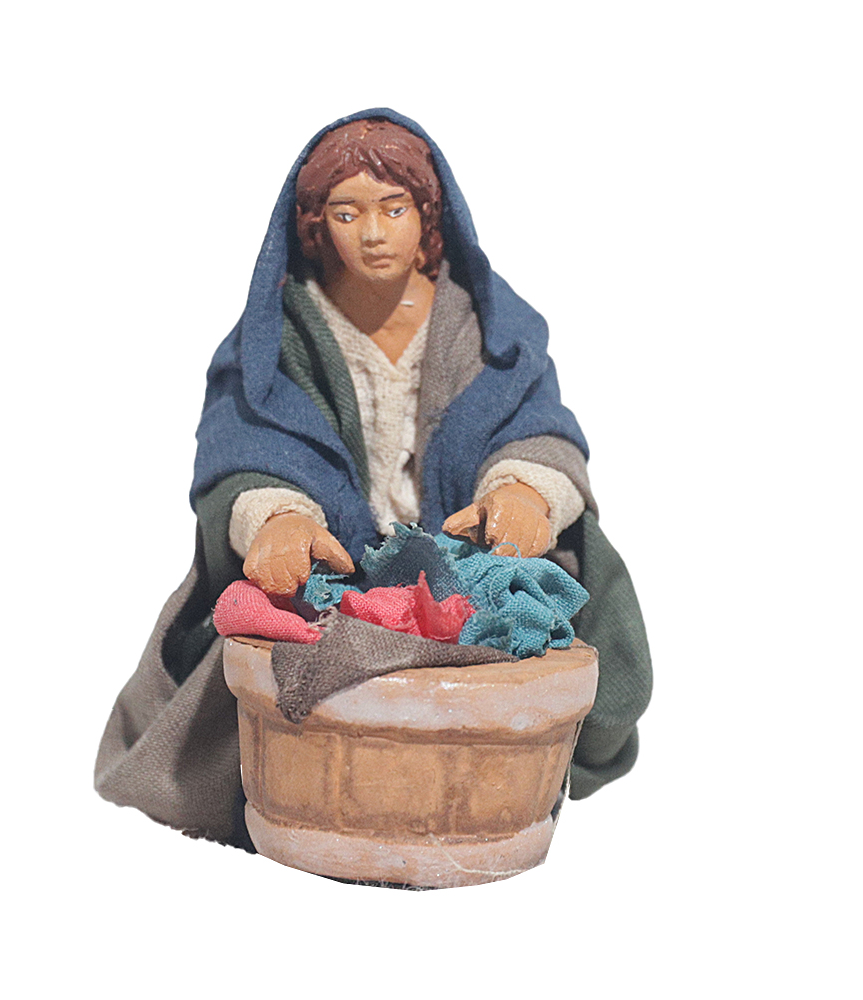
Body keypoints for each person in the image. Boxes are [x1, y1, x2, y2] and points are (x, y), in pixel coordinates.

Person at [95, 110, 651, 850]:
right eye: (346, 213)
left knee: (557, 589)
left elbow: (531, 417)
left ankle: (508, 779)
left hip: (466, 563)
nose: (373, 234)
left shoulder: (482, 323)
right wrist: (277, 518)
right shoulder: (282, 332)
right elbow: (247, 435)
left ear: (428, 217)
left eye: (393, 209)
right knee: (257, 626)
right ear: (316, 225)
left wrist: (523, 491)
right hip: (335, 571)